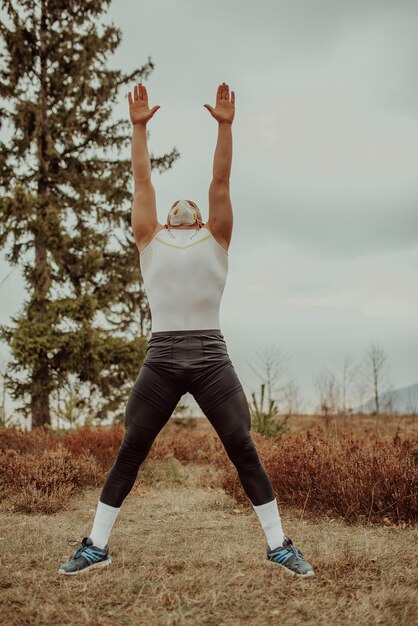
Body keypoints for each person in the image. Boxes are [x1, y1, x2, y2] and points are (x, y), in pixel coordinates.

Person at [58, 82, 315, 578]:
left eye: (190, 204)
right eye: (174, 205)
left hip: (212, 355)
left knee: (242, 444)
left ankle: (279, 544)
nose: (182, 205)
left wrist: (224, 128)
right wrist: (138, 130)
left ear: (200, 219)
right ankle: (96, 545)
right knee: (131, 447)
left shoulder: (217, 237)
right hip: (161, 356)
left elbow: (220, 181)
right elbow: (141, 182)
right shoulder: (148, 239)